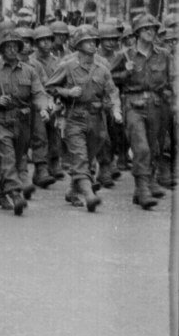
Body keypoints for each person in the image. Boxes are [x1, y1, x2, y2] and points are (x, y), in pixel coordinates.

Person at [44, 26, 121, 212]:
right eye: (87, 41)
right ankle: (89, 195)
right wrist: (68, 92)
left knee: (87, 158)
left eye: (94, 41)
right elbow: (49, 87)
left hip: (97, 119)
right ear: (78, 45)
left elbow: (112, 92)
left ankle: (73, 190)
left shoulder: (102, 69)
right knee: (79, 157)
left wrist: (116, 110)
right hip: (75, 118)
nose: (92, 45)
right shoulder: (67, 66)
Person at [0, 27, 49, 216]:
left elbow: (39, 92)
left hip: (23, 122)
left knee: (15, 160)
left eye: (15, 46)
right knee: (7, 159)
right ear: (1, 50)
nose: (12, 50)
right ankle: (16, 195)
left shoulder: (30, 71)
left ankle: (1, 194)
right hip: (2, 121)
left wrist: (44, 108)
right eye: (8, 47)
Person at [110, 12, 172, 210]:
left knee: (155, 147)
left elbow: (173, 79)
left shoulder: (164, 54)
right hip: (133, 104)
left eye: (153, 29)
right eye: (146, 29)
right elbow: (109, 80)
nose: (150, 32)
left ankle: (147, 182)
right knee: (141, 147)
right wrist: (125, 72)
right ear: (137, 32)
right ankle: (142, 187)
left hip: (157, 105)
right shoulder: (125, 55)